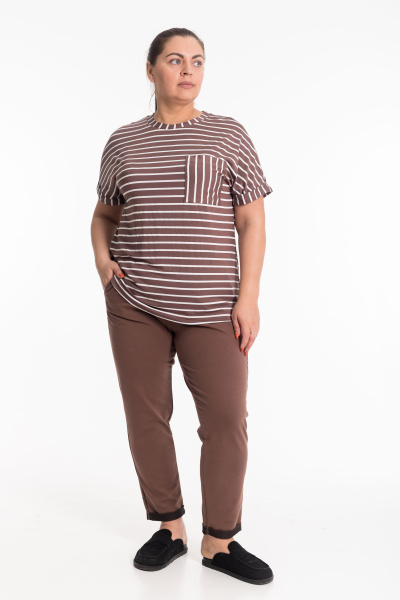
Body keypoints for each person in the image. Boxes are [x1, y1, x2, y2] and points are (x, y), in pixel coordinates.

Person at [91, 27, 274, 585]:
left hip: (213, 304)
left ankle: (220, 541)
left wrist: (248, 297)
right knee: (147, 417)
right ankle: (169, 527)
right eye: (174, 60)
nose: (188, 69)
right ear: (151, 70)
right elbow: (104, 214)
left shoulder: (227, 134)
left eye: (197, 60)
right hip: (135, 302)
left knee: (227, 420)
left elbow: (251, 219)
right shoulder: (123, 142)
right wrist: (103, 262)